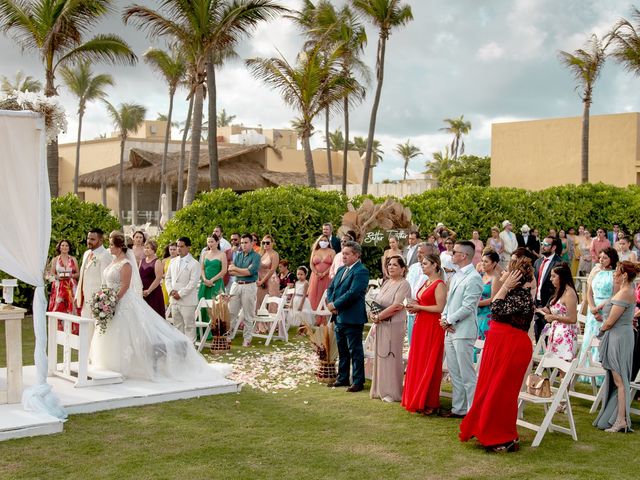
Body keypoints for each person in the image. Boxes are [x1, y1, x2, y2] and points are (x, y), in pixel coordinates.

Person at [90, 231, 228, 381]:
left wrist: (113, 301)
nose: (109, 248)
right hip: (110, 299)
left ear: (119, 247)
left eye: (111, 245)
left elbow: (125, 285)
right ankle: (110, 363)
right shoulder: (113, 261)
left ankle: (126, 365)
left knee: (125, 332)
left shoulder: (126, 264)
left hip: (121, 302)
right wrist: (103, 298)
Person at [459, 258, 535, 453]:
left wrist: (504, 288)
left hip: (511, 348)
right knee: (489, 389)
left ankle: (504, 437)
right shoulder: (513, 293)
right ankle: (486, 429)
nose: (502, 272)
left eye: (507, 270)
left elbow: (495, 309)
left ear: (514, 277)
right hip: (499, 347)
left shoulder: (521, 295)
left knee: (501, 393)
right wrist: (506, 287)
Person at [439, 240, 483, 418]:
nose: (451, 254)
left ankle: (473, 411)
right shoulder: (456, 275)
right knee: (454, 371)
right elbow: (450, 302)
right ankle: (459, 409)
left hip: (463, 331)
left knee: (467, 374)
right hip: (450, 329)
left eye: (455, 252)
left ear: (464, 255)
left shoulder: (474, 278)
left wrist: (449, 319)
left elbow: (468, 306)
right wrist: (444, 317)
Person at [593, 261, 639, 433]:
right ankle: (617, 417)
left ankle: (621, 420)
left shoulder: (625, 293)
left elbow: (611, 321)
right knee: (617, 379)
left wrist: (600, 332)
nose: (613, 274)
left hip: (618, 337)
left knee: (620, 380)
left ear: (624, 275)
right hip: (619, 335)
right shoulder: (625, 290)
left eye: (617, 272)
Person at [402, 254, 446, 414]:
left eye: (425, 263)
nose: (422, 266)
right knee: (419, 360)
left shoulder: (439, 284)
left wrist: (419, 308)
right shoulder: (426, 282)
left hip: (433, 326)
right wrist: (414, 304)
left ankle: (428, 400)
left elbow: (440, 308)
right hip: (420, 324)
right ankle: (416, 396)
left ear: (435, 265)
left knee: (429, 361)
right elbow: (424, 302)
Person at [326, 241, 369, 393]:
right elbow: (330, 288)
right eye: (343, 253)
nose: (343, 256)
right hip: (339, 316)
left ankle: (358, 381)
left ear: (356, 255)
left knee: (355, 350)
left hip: (352, 316)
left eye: (347, 253)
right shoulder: (341, 270)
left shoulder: (361, 271)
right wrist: (331, 303)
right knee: (342, 350)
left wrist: (336, 305)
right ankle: (342, 377)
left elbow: (353, 293)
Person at [369, 255, 411, 403]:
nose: (391, 267)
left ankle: (392, 392)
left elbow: (398, 305)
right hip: (381, 323)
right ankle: (379, 389)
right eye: (389, 265)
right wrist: (373, 313)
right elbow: (377, 301)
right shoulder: (386, 282)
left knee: (391, 356)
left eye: (394, 265)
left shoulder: (404, 284)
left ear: (402, 269)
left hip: (394, 324)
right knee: (380, 355)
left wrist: (379, 316)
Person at [582, 247, 618, 376]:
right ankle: (584, 370)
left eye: (605, 258)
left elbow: (615, 295)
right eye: (600, 257)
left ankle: (599, 373)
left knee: (601, 338)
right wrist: (592, 308)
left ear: (612, 259)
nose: (601, 260)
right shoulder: (596, 271)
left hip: (606, 308)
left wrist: (599, 308)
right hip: (593, 310)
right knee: (589, 337)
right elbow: (589, 292)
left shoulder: (616, 274)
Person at [536, 263, 579, 361]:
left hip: (566, 334)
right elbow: (560, 310)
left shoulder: (569, 293)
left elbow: (573, 319)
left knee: (563, 364)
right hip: (556, 332)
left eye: (553, 276)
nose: (551, 279)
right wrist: (547, 310)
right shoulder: (560, 290)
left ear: (562, 277)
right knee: (555, 364)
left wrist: (554, 317)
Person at [228, 234, 261, 347]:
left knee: (248, 314)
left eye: (245, 242)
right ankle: (228, 337)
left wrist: (237, 269)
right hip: (236, 285)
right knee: (231, 313)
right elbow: (230, 272)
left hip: (249, 286)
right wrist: (242, 271)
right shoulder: (238, 255)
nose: (243, 245)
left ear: (252, 243)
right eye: (242, 243)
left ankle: (247, 339)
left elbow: (250, 272)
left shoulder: (256, 256)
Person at [165, 237, 200, 343]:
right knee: (177, 326)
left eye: (181, 246)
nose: (179, 249)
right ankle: (180, 349)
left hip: (187, 300)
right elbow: (168, 278)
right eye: (177, 246)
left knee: (189, 326)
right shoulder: (173, 261)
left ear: (188, 247)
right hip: (174, 300)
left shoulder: (194, 263)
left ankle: (191, 349)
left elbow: (192, 283)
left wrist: (180, 294)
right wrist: (171, 291)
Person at [75, 228, 113, 319]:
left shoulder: (105, 255)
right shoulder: (86, 253)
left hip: (96, 301)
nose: (89, 241)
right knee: (85, 327)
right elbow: (82, 277)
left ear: (100, 240)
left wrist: (102, 302)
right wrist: (77, 295)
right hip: (84, 299)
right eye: (88, 238)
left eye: (92, 239)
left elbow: (105, 281)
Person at [532, 236, 562, 341]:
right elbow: (534, 284)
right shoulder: (538, 262)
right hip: (537, 305)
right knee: (537, 335)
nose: (543, 247)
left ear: (553, 247)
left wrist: (549, 305)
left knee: (548, 340)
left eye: (546, 245)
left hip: (550, 307)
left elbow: (559, 288)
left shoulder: (559, 263)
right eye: (542, 244)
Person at [405, 243, 432, 345]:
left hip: (425, 312)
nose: (418, 255)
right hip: (410, 311)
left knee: (423, 344)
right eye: (418, 252)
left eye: (421, 252)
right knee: (412, 343)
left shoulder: (436, 269)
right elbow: (407, 286)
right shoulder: (413, 267)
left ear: (430, 253)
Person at [197, 234, 227, 324]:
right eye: (208, 242)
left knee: (215, 306)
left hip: (216, 283)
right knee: (203, 304)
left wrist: (212, 280)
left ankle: (216, 330)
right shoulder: (204, 254)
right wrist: (205, 279)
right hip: (205, 283)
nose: (210, 244)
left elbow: (224, 270)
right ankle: (202, 330)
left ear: (217, 242)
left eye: (212, 241)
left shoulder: (222, 254)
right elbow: (201, 268)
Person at [308, 234, 336, 322]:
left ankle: (325, 319)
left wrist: (324, 273)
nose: (323, 242)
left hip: (327, 277)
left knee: (325, 296)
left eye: (325, 240)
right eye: (321, 240)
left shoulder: (332, 251)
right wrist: (316, 273)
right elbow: (311, 264)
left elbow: (333, 264)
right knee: (314, 295)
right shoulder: (315, 251)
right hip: (315, 277)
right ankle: (314, 318)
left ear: (328, 242)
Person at [476, 250, 502, 347]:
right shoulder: (480, 276)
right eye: (482, 260)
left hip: (487, 314)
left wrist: (476, 303)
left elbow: (493, 299)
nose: (482, 263)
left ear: (494, 263)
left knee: (481, 344)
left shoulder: (496, 278)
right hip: (476, 313)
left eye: (486, 261)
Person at [48, 239, 79, 315]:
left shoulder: (73, 259)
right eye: (62, 245)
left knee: (72, 308)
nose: (64, 247)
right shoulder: (55, 259)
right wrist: (58, 277)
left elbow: (78, 273)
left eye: (66, 245)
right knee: (59, 307)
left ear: (69, 248)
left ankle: (73, 325)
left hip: (71, 286)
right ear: (59, 247)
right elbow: (52, 274)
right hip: (59, 286)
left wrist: (72, 275)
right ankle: (59, 326)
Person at [139, 239, 165, 318]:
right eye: (145, 248)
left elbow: (158, 278)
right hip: (142, 291)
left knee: (154, 315)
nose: (145, 250)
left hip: (153, 292)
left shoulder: (157, 262)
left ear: (153, 250)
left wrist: (149, 291)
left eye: (148, 248)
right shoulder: (142, 261)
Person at [256, 235, 280, 317]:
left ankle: (272, 324)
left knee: (272, 303)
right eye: (263, 243)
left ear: (272, 243)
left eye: (267, 243)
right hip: (260, 279)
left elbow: (272, 270)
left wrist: (262, 281)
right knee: (259, 301)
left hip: (271, 280)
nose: (265, 244)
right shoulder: (261, 253)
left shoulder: (274, 254)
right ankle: (261, 326)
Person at [161, 242, 177, 307]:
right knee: (166, 305)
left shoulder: (180, 259)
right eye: (171, 249)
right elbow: (161, 274)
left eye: (174, 249)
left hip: (176, 284)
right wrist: (167, 276)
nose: (172, 251)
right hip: (166, 284)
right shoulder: (164, 260)